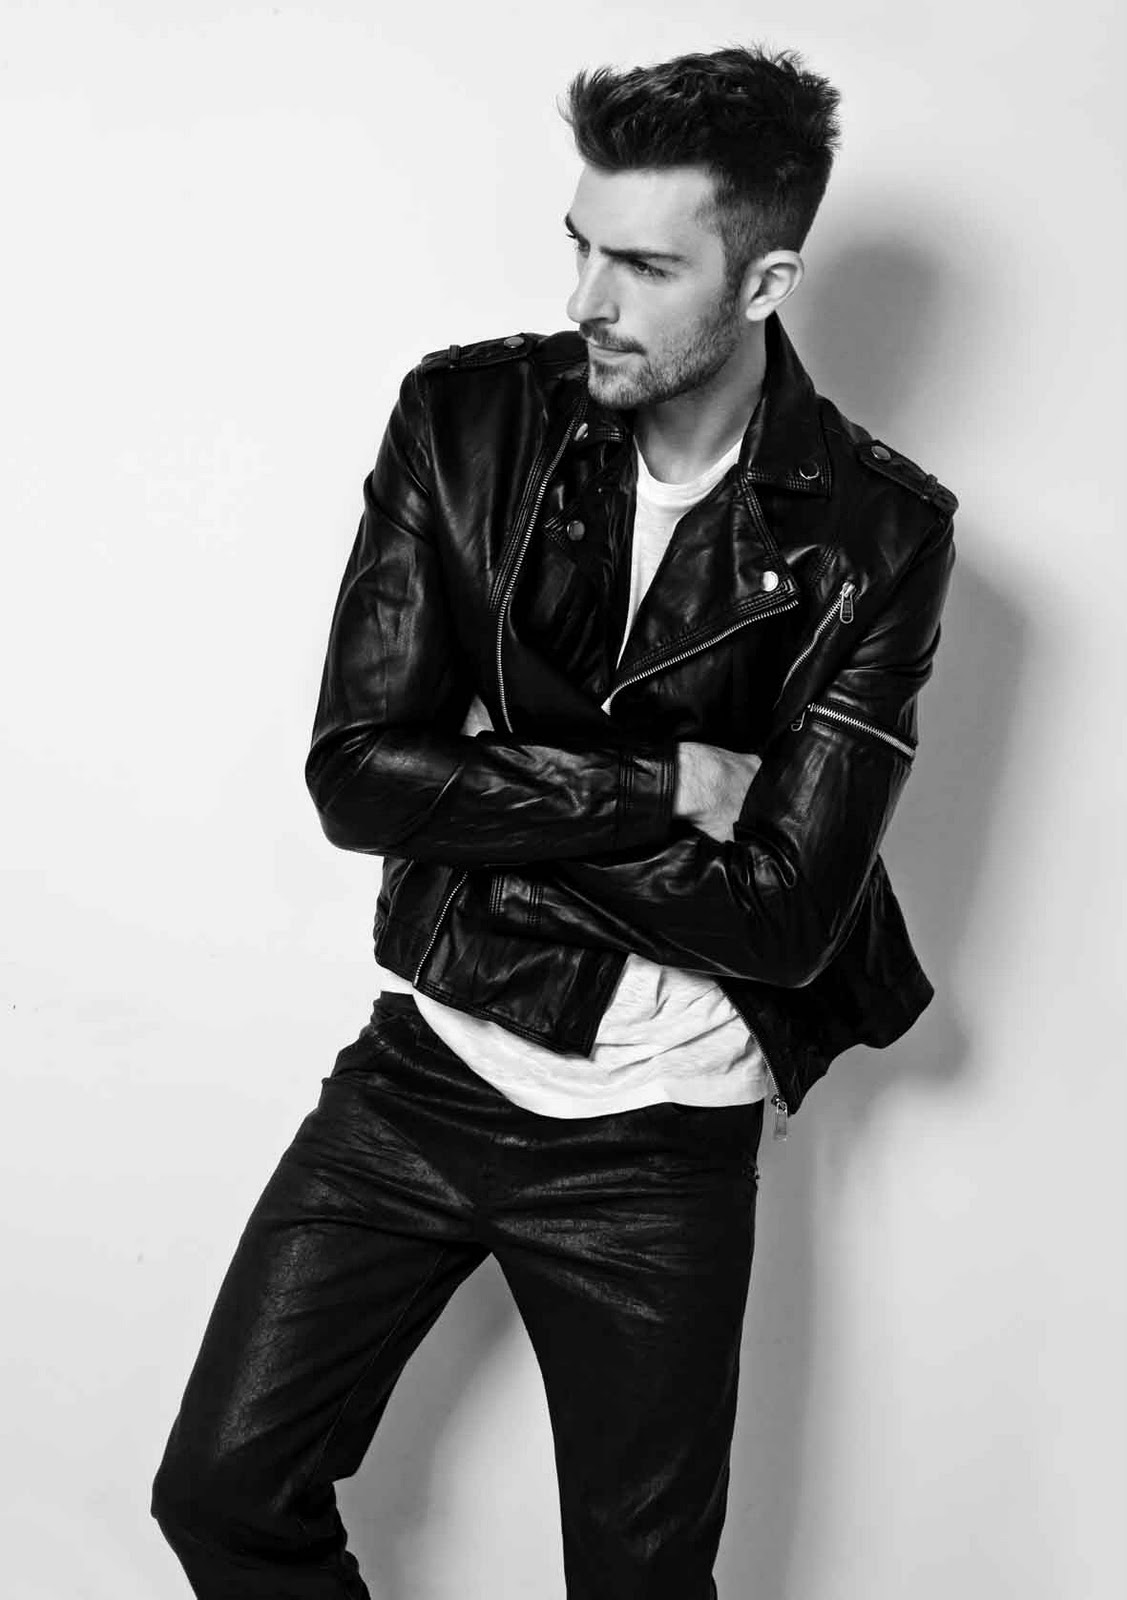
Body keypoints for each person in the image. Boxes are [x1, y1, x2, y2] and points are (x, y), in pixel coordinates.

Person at [151, 44, 956, 1600]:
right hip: (429, 1071)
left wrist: (490, 804)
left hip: (660, 1138)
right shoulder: (467, 422)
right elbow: (358, 776)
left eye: (646, 266)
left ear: (765, 281)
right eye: (583, 243)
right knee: (225, 1490)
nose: (590, 295)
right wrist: (664, 786)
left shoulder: (879, 537)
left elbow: (784, 916)